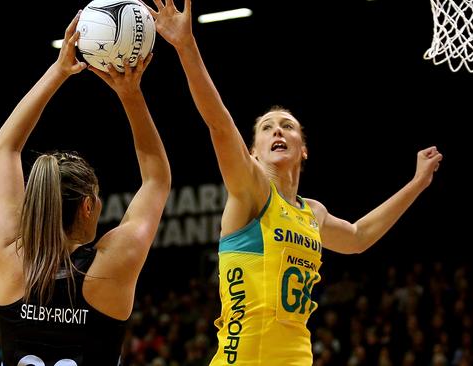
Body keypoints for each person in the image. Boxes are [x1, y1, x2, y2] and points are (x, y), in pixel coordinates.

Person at [145, 0, 443, 364]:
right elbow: (220, 125)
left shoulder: (312, 212)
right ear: (253, 153)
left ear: (304, 149)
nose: (278, 131)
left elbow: (359, 237)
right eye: (267, 128)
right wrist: (186, 47)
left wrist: (417, 183)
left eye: (287, 126)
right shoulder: (252, 191)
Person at [0, 11, 170, 365]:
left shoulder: (10, 259)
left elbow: (5, 146)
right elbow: (157, 178)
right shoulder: (112, 266)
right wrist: (129, 92)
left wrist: (58, 71)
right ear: (88, 205)